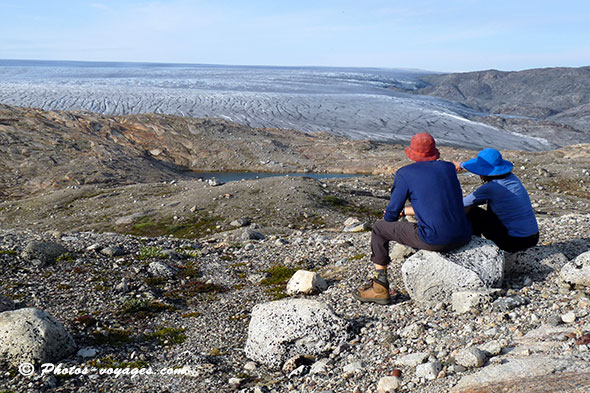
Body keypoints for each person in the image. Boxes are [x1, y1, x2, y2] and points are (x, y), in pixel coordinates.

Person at [353, 132, 472, 305]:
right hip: (464, 234)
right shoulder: (448, 168)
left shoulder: (405, 173)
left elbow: (392, 214)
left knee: (379, 228)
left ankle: (379, 287)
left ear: (413, 152)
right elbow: (436, 201)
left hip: (436, 239)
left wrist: (392, 214)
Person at [456, 148, 539, 252]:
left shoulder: (492, 188)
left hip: (516, 242)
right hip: (533, 238)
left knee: (472, 212)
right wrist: (462, 165)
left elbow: (461, 204)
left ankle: (473, 247)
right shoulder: (512, 178)